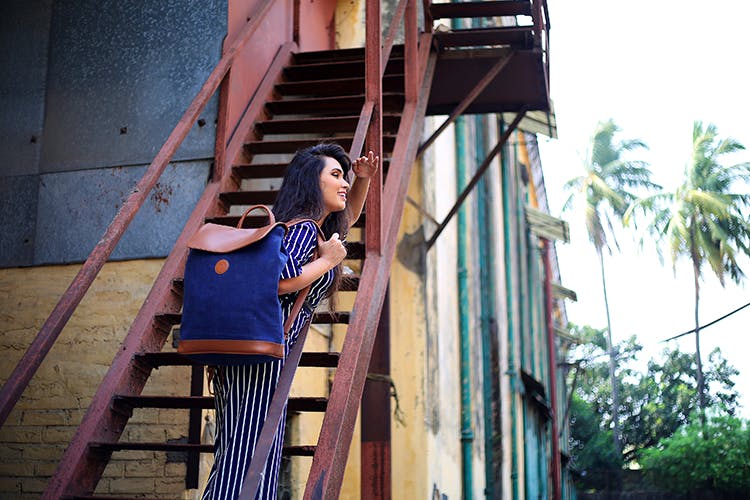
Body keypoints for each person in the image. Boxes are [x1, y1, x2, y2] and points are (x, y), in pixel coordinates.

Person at [201, 143, 379, 499]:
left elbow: (349, 218)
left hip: (261, 355)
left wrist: (363, 181)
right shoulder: (300, 230)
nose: (343, 182)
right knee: (247, 459)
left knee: (249, 456)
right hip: (260, 356)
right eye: (335, 175)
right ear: (313, 183)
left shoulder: (312, 228)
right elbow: (281, 281)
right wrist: (328, 262)